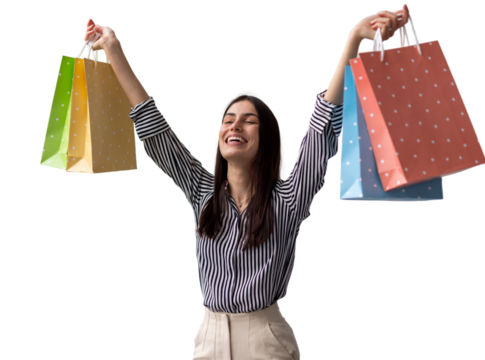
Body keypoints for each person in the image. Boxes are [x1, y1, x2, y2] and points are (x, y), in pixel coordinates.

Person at [83, 3, 411, 359]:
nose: (235, 125)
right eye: (228, 119)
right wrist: (113, 49)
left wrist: (353, 40)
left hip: (266, 340)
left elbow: (321, 129)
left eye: (248, 120)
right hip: (208, 338)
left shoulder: (287, 198)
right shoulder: (202, 193)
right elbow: (155, 127)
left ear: (266, 138)